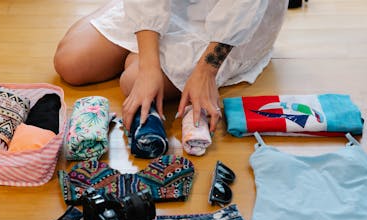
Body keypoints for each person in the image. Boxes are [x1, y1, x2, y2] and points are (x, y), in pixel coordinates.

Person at [54, 0, 288, 136]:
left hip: (238, 16)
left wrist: (206, 71)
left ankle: (141, 51)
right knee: (70, 63)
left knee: (132, 80)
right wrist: (149, 66)